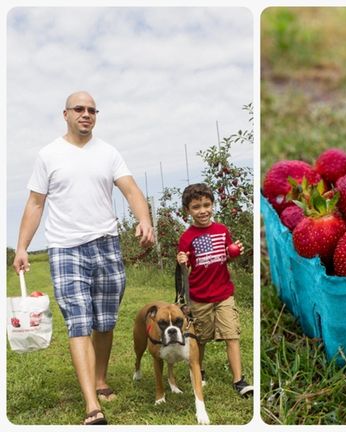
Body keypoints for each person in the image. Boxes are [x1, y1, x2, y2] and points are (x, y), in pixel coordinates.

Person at [13, 91, 155, 425]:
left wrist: (145, 220)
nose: (86, 114)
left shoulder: (108, 153)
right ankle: (92, 405)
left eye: (92, 110)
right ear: (65, 114)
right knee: (78, 320)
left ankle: (101, 380)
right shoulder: (49, 154)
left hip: (106, 243)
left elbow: (131, 190)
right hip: (65, 247)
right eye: (79, 109)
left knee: (104, 322)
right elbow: (35, 203)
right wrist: (22, 247)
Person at [176, 183, 254, 398]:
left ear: (212, 204)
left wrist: (235, 252)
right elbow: (185, 265)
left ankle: (239, 380)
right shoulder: (187, 237)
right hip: (199, 297)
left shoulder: (222, 230)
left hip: (223, 294)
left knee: (231, 335)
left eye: (206, 205)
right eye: (196, 207)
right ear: (188, 211)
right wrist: (182, 260)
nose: (202, 210)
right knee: (201, 338)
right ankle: (198, 371)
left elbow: (227, 254)